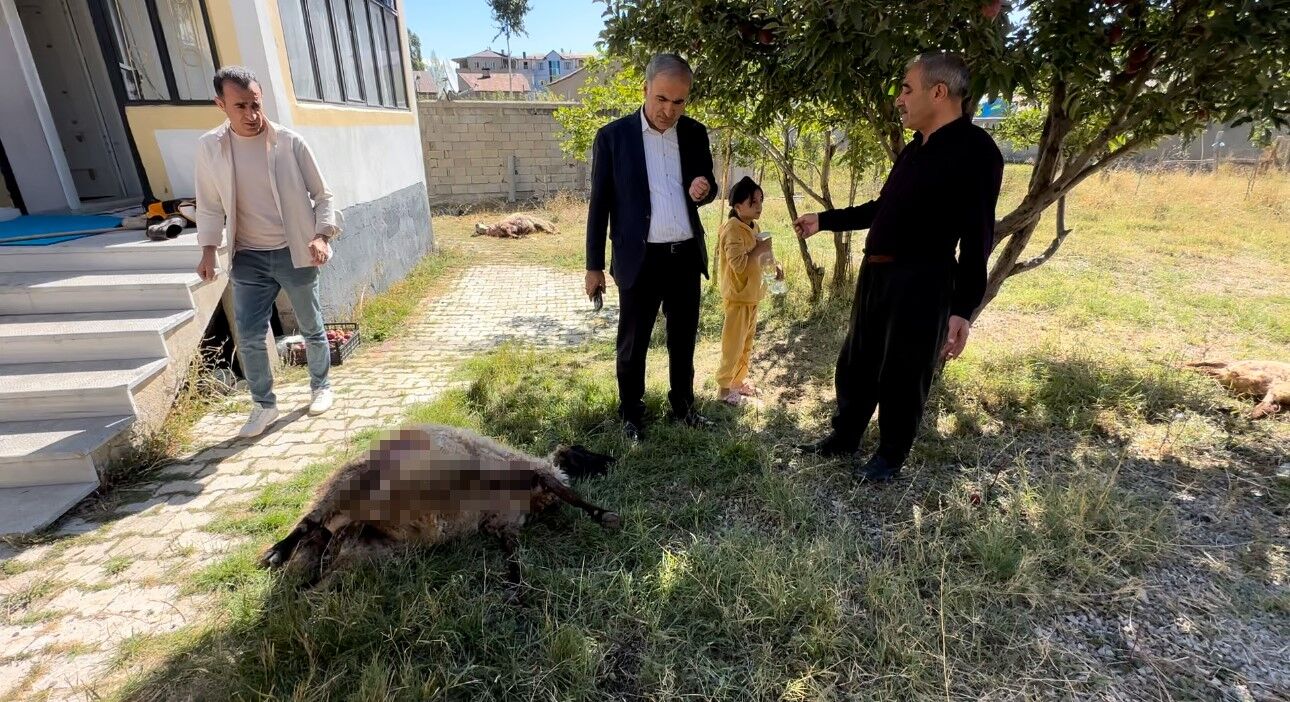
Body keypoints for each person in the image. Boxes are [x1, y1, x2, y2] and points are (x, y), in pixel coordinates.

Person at [793, 52, 1004, 482]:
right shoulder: (915, 149)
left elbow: (977, 237)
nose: (899, 99)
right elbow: (883, 208)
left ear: (939, 92)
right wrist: (825, 221)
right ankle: (845, 437)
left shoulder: (976, 152)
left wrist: (963, 308)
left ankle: (889, 457)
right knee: (858, 361)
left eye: (907, 89)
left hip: (922, 281)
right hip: (878, 275)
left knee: (904, 371)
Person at [194, 66, 340, 439]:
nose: (251, 114)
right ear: (220, 105)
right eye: (240, 106)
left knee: (311, 326)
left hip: (295, 250)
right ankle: (264, 405)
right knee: (249, 332)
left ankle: (321, 387)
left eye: (256, 104)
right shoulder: (210, 149)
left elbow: (323, 195)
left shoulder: (289, 142)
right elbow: (209, 205)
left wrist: (323, 236)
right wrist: (209, 250)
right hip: (248, 256)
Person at [584, 53, 720, 442]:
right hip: (639, 258)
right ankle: (632, 414)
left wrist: (704, 190)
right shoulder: (613, 137)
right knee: (633, 342)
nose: (669, 110)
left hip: (684, 255)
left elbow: (706, 182)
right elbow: (600, 204)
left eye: (678, 102)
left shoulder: (694, 133)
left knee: (683, 337)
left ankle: (684, 406)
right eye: (662, 99)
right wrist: (593, 265)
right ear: (645, 89)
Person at [714, 176, 782, 405]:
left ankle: (737, 382)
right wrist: (759, 249)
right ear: (737, 206)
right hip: (738, 296)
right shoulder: (732, 230)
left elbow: (762, 258)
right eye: (753, 202)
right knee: (732, 344)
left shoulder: (754, 226)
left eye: (761, 201)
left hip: (753, 295)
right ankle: (724, 390)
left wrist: (775, 269)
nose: (759, 207)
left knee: (746, 343)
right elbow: (740, 265)